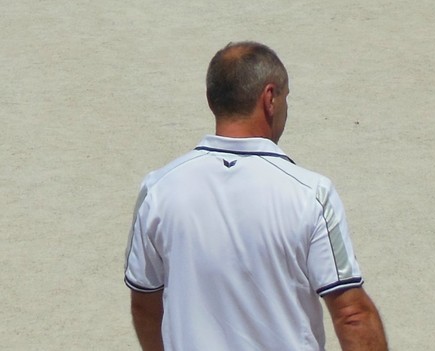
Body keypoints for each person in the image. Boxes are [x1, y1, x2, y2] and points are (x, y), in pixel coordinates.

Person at [124, 42, 388, 351]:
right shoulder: (311, 195)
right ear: (270, 98)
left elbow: (144, 305)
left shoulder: (158, 190)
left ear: (212, 100)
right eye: (286, 98)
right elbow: (351, 314)